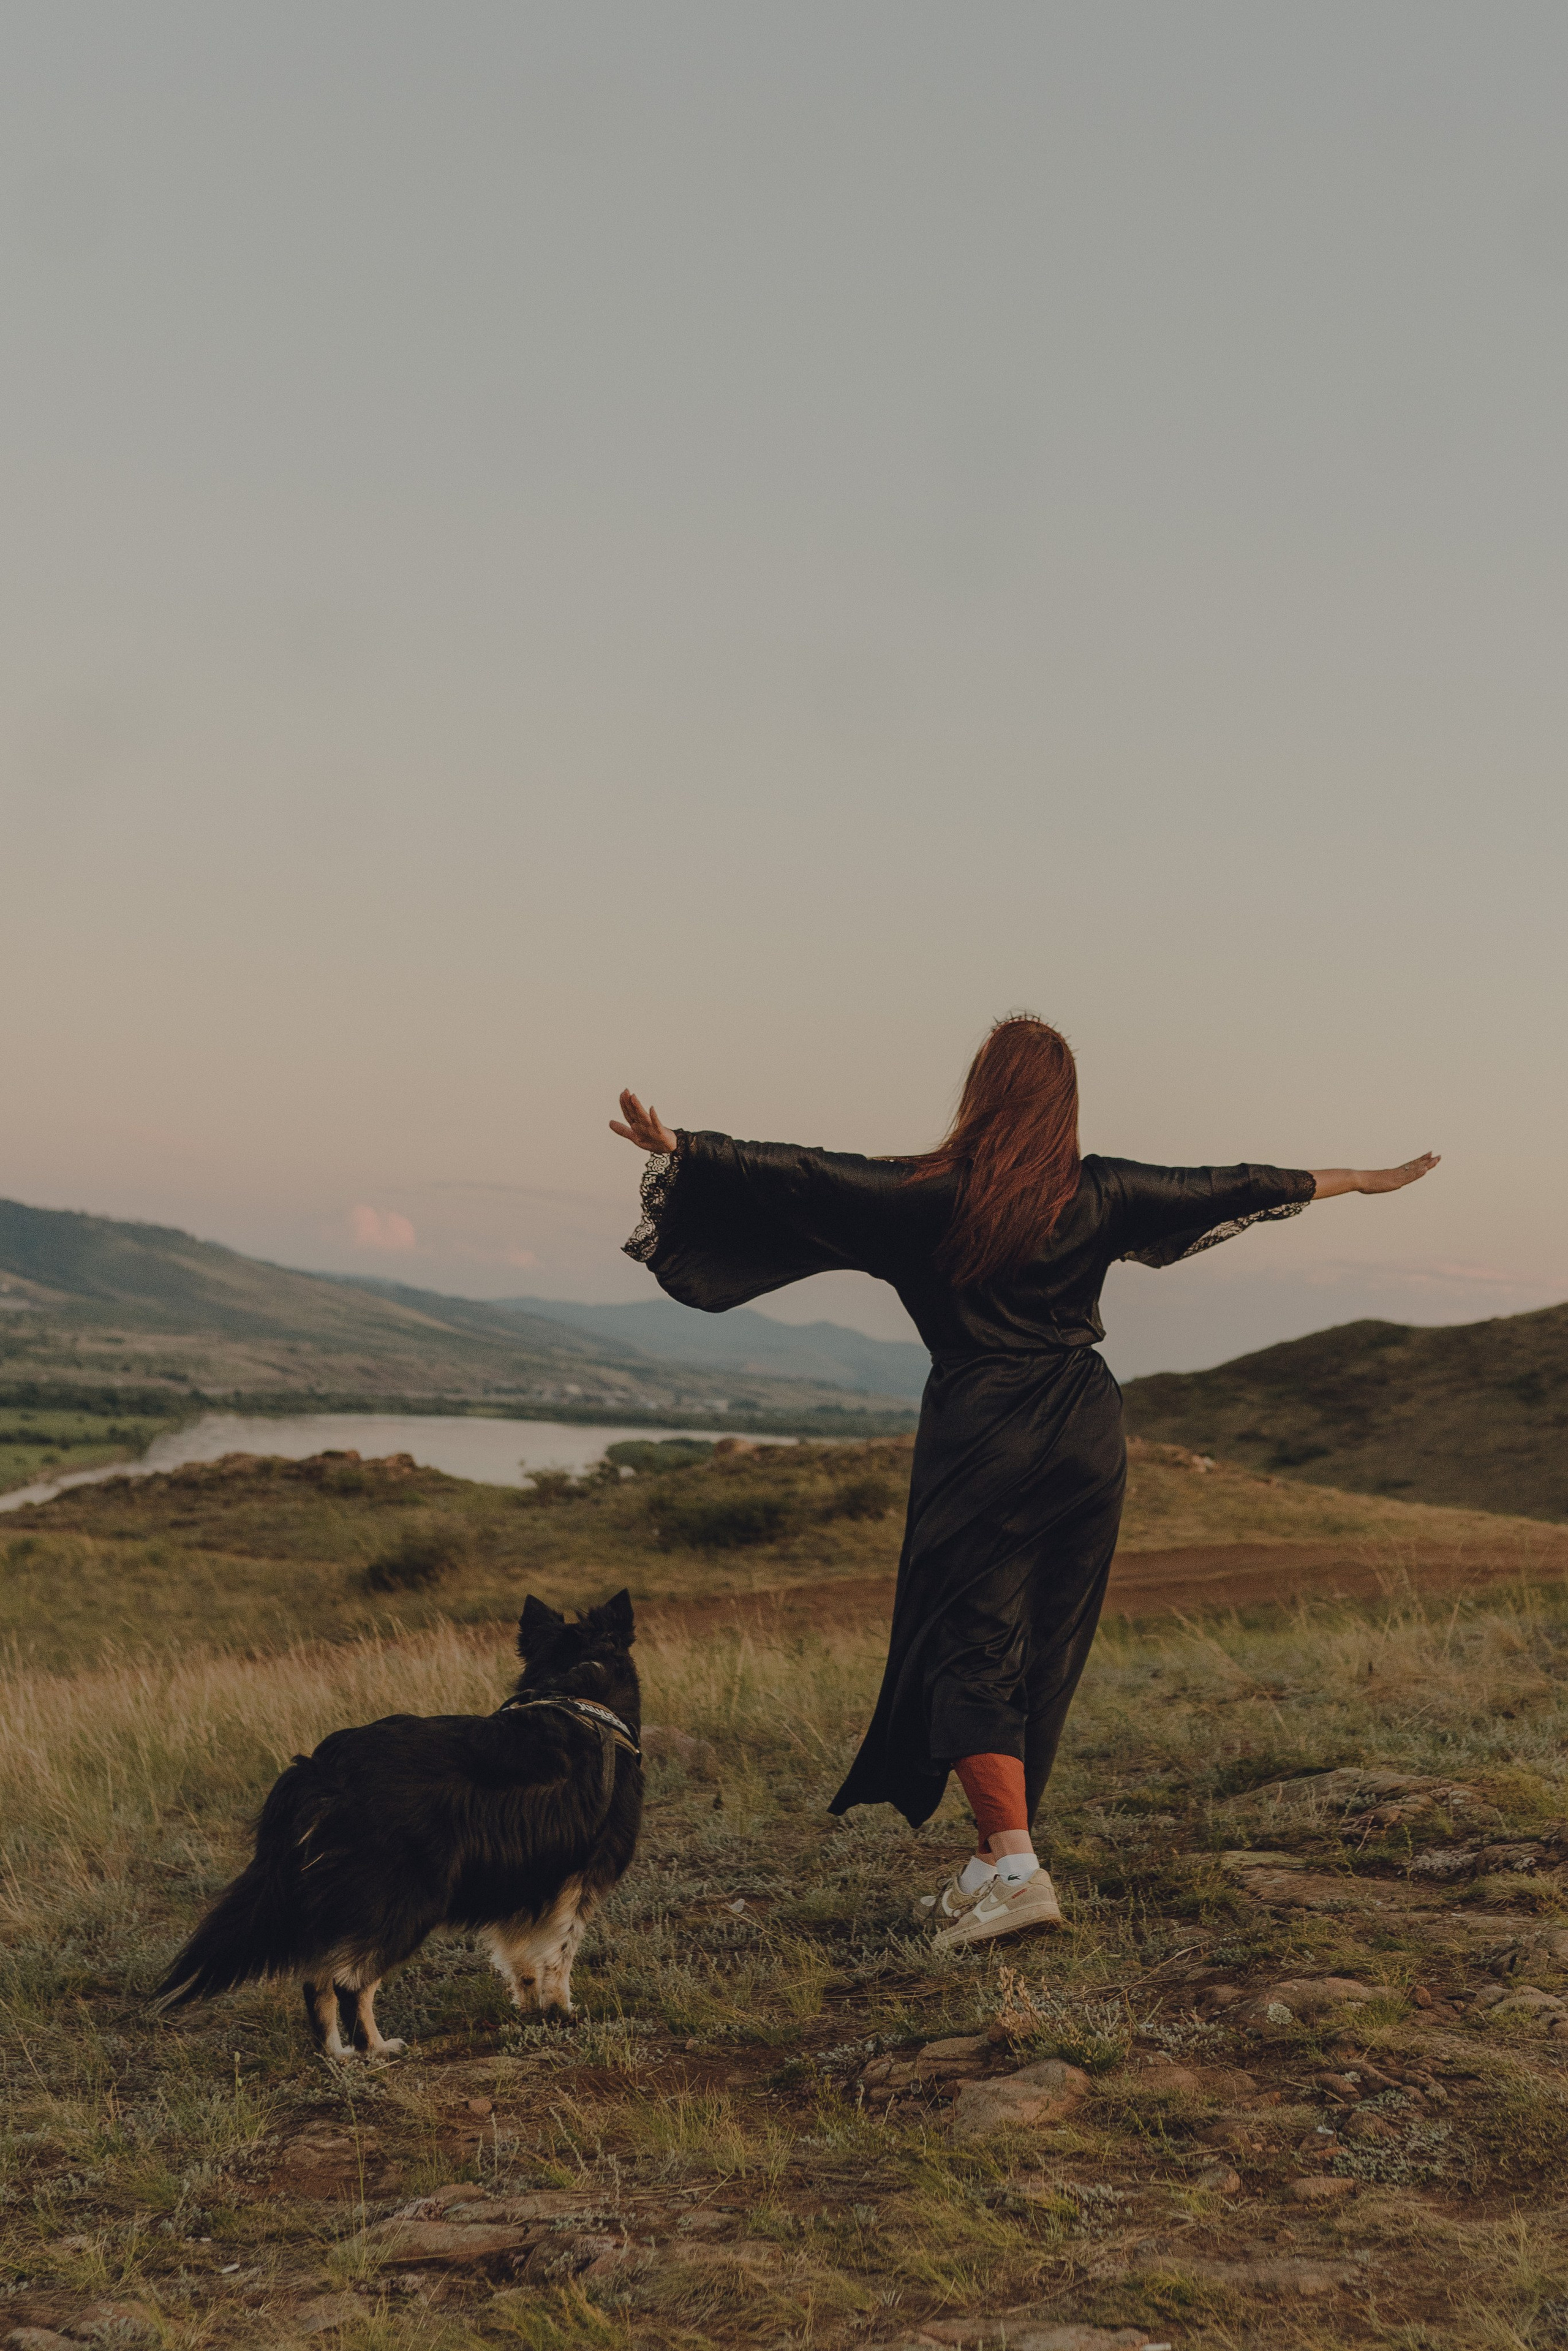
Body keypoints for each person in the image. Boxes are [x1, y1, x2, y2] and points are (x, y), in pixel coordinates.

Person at [611, 1015, 1437, 1952]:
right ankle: (991, 1860)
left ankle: (1013, 1866)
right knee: (1043, 1637)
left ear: (983, 1091)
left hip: (983, 1430)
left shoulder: (926, 1196)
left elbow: (809, 1172)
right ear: (1064, 1104)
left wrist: (689, 1149)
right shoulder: (1102, 1191)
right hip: (1087, 1424)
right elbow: (1233, 1183)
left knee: (969, 1638)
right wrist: (1362, 1179)